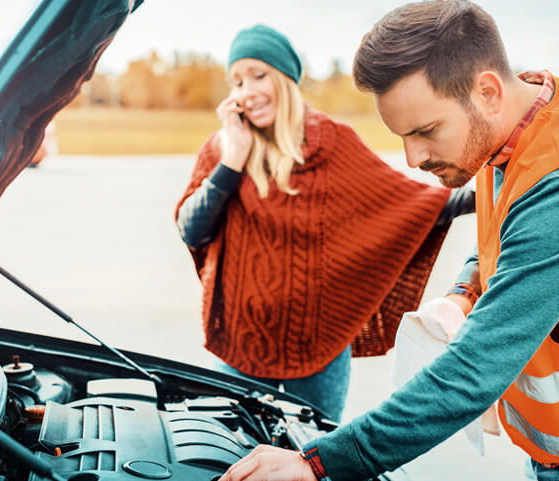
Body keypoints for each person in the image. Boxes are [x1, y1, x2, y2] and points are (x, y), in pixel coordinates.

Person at [218, 2, 559, 481]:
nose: (412, 157)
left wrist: (315, 463)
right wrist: (464, 291)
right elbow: (505, 231)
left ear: (487, 91)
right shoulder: (525, 120)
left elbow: (471, 373)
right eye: (402, 135)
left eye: (425, 131)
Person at [176, 24, 475, 423]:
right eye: (237, 81)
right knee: (226, 450)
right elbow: (191, 230)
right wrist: (234, 159)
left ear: (284, 79)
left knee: (312, 452)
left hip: (319, 343)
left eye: (258, 75)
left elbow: (407, 203)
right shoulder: (223, 146)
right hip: (239, 341)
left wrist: (486, 192)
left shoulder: (333, 141)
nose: (246, 90)